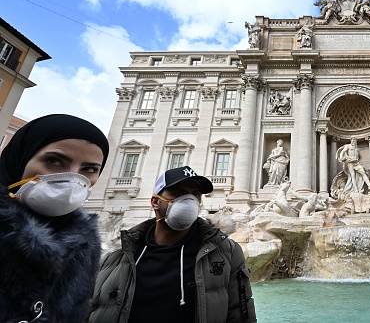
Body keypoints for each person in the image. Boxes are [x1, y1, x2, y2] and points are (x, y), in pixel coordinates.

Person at [89, 165, 257, 323]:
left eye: (195, 195)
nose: (189, 201)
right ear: (155, 202)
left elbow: (241, 315)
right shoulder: (114, 259)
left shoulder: (227, 252)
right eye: (178, 193)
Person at [0, 114, 109, 322]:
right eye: (54, 161)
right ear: (20, 157)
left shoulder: (86, 245)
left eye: (89, 169)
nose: (72, 177)